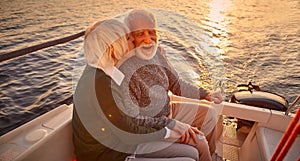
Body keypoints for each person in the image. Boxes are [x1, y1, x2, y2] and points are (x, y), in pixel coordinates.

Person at [72, 18, 200, 161]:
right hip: (110, 155)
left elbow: (125, 123)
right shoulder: (100, 84)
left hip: (123, 145)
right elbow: (127, 132)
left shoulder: (103, 71)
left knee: (193, 153)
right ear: (113, 48)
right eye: (127, 39)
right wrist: (167, 133)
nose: (133, 42)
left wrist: (156, 53)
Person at [117, 9, 224, 161]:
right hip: (151, 129)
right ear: (130, 37)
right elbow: (134, 120)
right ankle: (203, 154)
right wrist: (171, 124)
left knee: (210, 114)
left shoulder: (157, 54)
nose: (148, 40)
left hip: (167, 111)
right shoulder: (126, 70)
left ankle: (209, 156)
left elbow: (176, 83)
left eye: (151, 32)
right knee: (199, 141)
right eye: (140, 34)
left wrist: (205, 94)